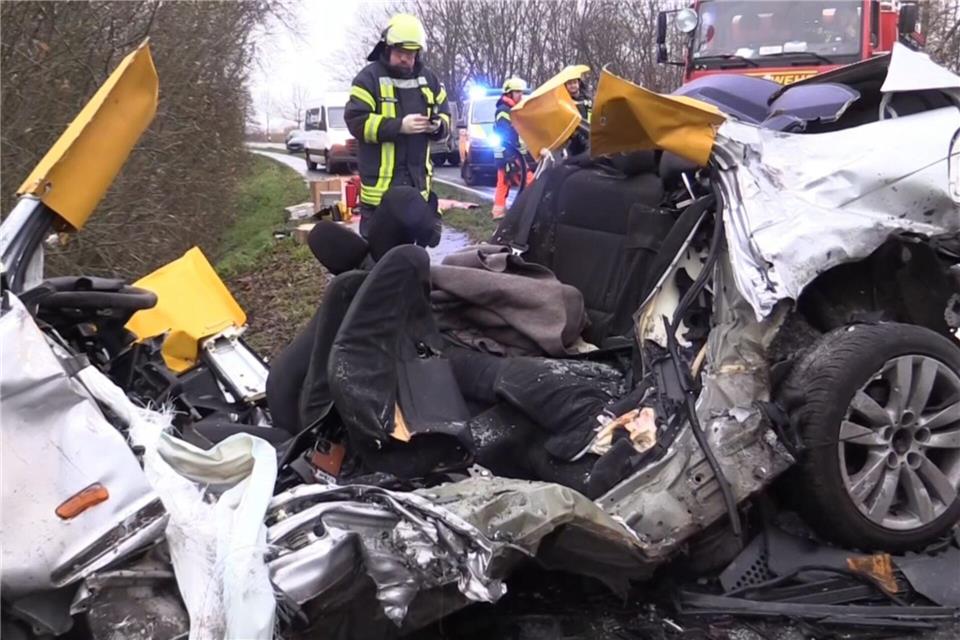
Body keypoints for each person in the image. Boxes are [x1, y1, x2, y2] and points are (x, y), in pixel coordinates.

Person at [344, 13, 451, 242]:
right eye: (401, 53)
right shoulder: (368, 79)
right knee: (379, 260)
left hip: (417, 191)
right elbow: (356, 121)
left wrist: (438, 126)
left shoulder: (429, 80)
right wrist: (399, 126)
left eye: (411, 54)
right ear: (387, 48)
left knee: (413, 260)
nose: (406, 59)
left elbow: (445, 114)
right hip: (380, 198)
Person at [492, 77, 533, 219]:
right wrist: (509, 156)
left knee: (504, 182)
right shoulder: (504, 111)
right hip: (509, 154)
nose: (521, 95)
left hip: (510, 153)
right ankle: (530, 209)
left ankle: (499, 212)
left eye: (521, 92)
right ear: (509, 94)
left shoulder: (511, 109)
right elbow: (504, 134)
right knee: (529, 181)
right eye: (517, 93)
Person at [564, 72, 592, 155]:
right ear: (566, 85)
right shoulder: (564, 101)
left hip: (588, 133)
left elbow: (591, 115)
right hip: (573, 137)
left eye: (574, 82)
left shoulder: (587, 99)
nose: (572, 85)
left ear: (579, 83)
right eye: (569, 83)